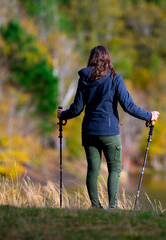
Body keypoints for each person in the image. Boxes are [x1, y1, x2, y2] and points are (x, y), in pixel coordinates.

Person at [57, 46, 159, 209]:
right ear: (108, 59)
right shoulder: (115, 79)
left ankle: (96, 206)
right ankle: (113, 206)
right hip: (110, 132)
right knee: (115, 169)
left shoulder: (84, 79)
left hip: (89, 131)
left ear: (92, 59)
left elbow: (76, 109)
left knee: (93, 170)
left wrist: (63, 114)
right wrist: (149, 115)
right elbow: (128, 106)